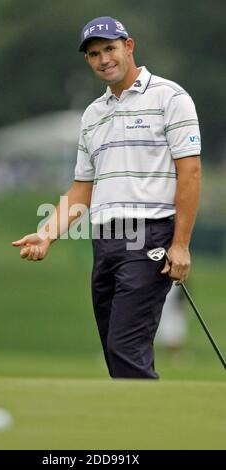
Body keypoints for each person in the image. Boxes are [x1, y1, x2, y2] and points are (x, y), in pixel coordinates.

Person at [12, 16, 201, 379]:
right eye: (94, 54)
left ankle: (143, 432)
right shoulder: (92, 116)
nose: (103, 59)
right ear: (88, 60)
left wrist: (181, 244)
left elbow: (190, 173)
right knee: (115, 347)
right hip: (105, 242)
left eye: (110, 49)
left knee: (126, 346)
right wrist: (47, 232)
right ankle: (139, 425)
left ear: (128, 47)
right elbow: (83, 188)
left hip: (150, 237)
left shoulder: (170, 97)